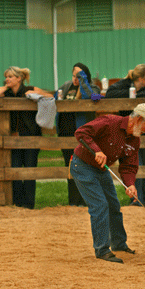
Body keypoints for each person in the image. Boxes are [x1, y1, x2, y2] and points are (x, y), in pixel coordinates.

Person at [71, 103, 145, 263]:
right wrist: (96, 150)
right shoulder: (109, 122)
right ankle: (102, 250)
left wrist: (130, 184)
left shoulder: (134, 140)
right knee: (99, 206)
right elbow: (81, 132)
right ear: (138, 119)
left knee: (113, 205)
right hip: (82, 166)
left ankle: (119, 244)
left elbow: (129, 166)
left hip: (101, 169)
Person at [0, 66, 53, 208]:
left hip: (31, 136)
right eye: (6, 77)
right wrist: (6, 87)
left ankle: (29, 204)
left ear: (19, 78)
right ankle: (18, 202)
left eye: (10, 77)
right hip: (13, 137)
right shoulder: (7, 93)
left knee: (29, 171)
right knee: (15, 170)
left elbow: (50, 97)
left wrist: (35, 95)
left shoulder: (29, 89)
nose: (7, 79)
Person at [104, 64, 145, 206]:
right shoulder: (124, 83)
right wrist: (133, 93)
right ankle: (136, 199)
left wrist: (134, 96)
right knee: (133, 163)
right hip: (129, 130)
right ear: (141, 79)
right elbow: (110, 93)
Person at [55, 63, 98, 206]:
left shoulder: (92, 87)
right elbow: (56, 98)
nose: (75, 79)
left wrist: (83, 83)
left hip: (82, 135)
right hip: (65, 133)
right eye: (74, 75)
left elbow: (92, 97)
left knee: (84, 167)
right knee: (70, 167)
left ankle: (86, 200)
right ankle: (73, 201)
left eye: (79, 76)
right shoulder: (66, 86)